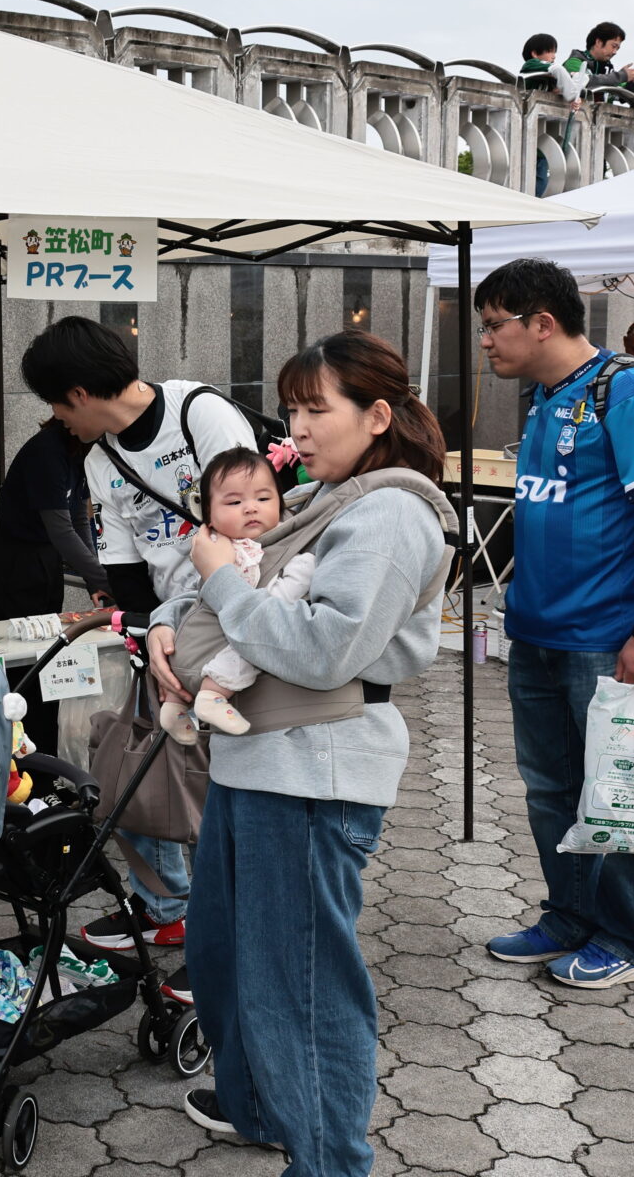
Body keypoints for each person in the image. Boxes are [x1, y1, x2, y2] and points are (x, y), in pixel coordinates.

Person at [151, 331, 450, 1168]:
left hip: (315, 768)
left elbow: (323, 649)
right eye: (292, 410)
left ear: (378, 415)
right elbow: (226, 577)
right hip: (257, 759)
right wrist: (168, 626)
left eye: (316, 409)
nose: (298, 428)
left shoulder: (390, 511)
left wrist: (214, 584)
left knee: (300, 984)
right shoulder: (325, 498)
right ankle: (257, 1105)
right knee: (223, 955)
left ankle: (327, 1159)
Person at [19, 316, 255, 996]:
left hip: (236, 630)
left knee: (219, 792)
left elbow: (255, 522)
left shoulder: (199, 414)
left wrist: (203, 633)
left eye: (58, 404)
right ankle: (166, 907)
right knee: (128, 766)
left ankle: (225, 945)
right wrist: (152, 637)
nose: (60, 420)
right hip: (165, 639)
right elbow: (125, 570)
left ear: (80, 393)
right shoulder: (101, 461)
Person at [475, 257, 634, 990]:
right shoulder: (546, 396)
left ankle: (631, 940)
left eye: (493, 325)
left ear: (541, 323)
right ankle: (569, 916)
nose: (485, 341)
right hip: (538, 635)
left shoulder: (627, 390)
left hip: (610, 641)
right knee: (551, 790)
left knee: (625, 792)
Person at [154, 445, 315, 744]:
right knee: (249, 649)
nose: (251, 508)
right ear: (208, 514)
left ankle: (175, 707)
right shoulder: (220, 547)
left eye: (263, 499)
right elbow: (272, 602)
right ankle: (213, 696)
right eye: (234, 502)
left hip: (195, 646)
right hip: (213, 643)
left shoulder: (277, 544)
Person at [0, 417, 113, 753]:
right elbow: (61, 529)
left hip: (46, 563)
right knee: (21, 670)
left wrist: (94, 579)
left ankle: (47, 758)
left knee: (48, 660)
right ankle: (17, 760)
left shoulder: (81, 451)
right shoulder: (47, 451)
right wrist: (104, 578)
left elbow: (79, 518)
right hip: (12, 564)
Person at [518, 32, 585, 198]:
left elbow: (558, 88)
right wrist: (571, 93)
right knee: (530, 186)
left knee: (540, 185)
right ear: (535, 53)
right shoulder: (531, 65)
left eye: (555, 52)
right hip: (526, 140)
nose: (554, 56)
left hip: (541, 145)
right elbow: (555, 69)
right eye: (550, 51)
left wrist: (572, 97)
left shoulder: (548, 77)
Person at [564, 21, 634, 96]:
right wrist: (621, 76)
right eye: (613, 46)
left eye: (617, 48)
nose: (615, 52)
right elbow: (585, 82)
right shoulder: (574, 62)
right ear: (598, 42)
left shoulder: (608, 71)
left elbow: (623, 96)